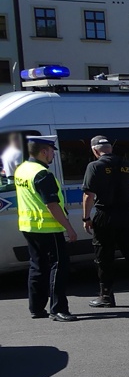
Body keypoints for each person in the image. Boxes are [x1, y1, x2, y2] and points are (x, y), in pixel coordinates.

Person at [82, 135, 129, 309]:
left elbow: (88, 195)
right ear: (110, 148)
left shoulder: (94, 166)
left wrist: (86, 218)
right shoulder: (127, 165)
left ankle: (106, 296)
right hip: (128, 214)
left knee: (104, 257)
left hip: (106, 215)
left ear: (94, 150)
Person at [14, 135, 78, 321]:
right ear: (43, 152)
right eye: (52, 152)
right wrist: (69, 228)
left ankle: (36, 307)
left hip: (29, 226)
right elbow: (52, 205)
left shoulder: (22, 169)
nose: (53, 156)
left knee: (37, 266)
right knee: (59, 267)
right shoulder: (42, 174)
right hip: (49, 229)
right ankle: (58, 309)